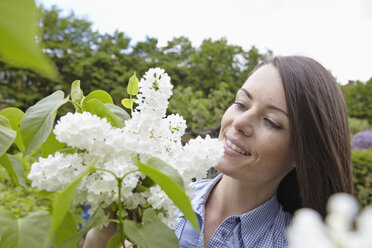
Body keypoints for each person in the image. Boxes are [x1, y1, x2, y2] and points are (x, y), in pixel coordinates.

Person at [84, 56, 354, 248]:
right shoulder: (157, 202)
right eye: (241, 103)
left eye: (271, 122)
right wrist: (104, 232)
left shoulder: (295, 242)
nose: (239, 123)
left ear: (300, 153)